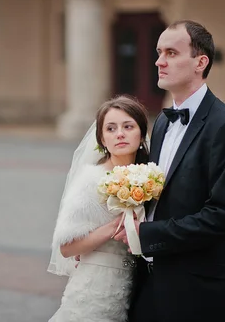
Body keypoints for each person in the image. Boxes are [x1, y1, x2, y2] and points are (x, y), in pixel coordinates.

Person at [114, 20, 225, 322]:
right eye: (159, 52)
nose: (159, 61)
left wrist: (148, 234)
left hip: (199, 289)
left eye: (171, 53)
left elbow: (224, 216)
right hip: (153, 283)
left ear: (200, 62)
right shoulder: (162, 122)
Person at [48, 95, 150, 322]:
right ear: (102, 139)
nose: (120, 134)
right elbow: (66, 247)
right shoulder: (91, 180)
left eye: (128, 126)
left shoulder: (151, 177)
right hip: (96, 290)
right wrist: (114, 227)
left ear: (141, 134)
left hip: (134, 288)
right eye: (111, 129)